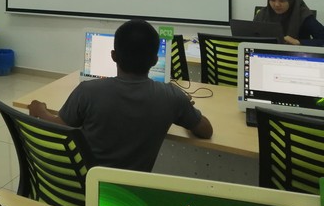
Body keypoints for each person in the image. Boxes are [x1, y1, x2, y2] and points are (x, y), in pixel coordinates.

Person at [29, 19, 213, 172]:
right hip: (127, 193)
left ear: (113, 56)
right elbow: (206, 131)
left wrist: (41, 111)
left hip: (84, 185)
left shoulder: (87, 91)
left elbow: (61, 127)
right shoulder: (172, 97)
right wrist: (185, 109)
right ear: (155, 60)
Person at [254, 0, 324, 46]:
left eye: (282, 0)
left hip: (297, 53)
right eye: (272, 0)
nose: (277, 4)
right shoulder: (262, 14)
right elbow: (251, 37)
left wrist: (299, 42)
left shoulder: (303, 15)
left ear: (291, 0)